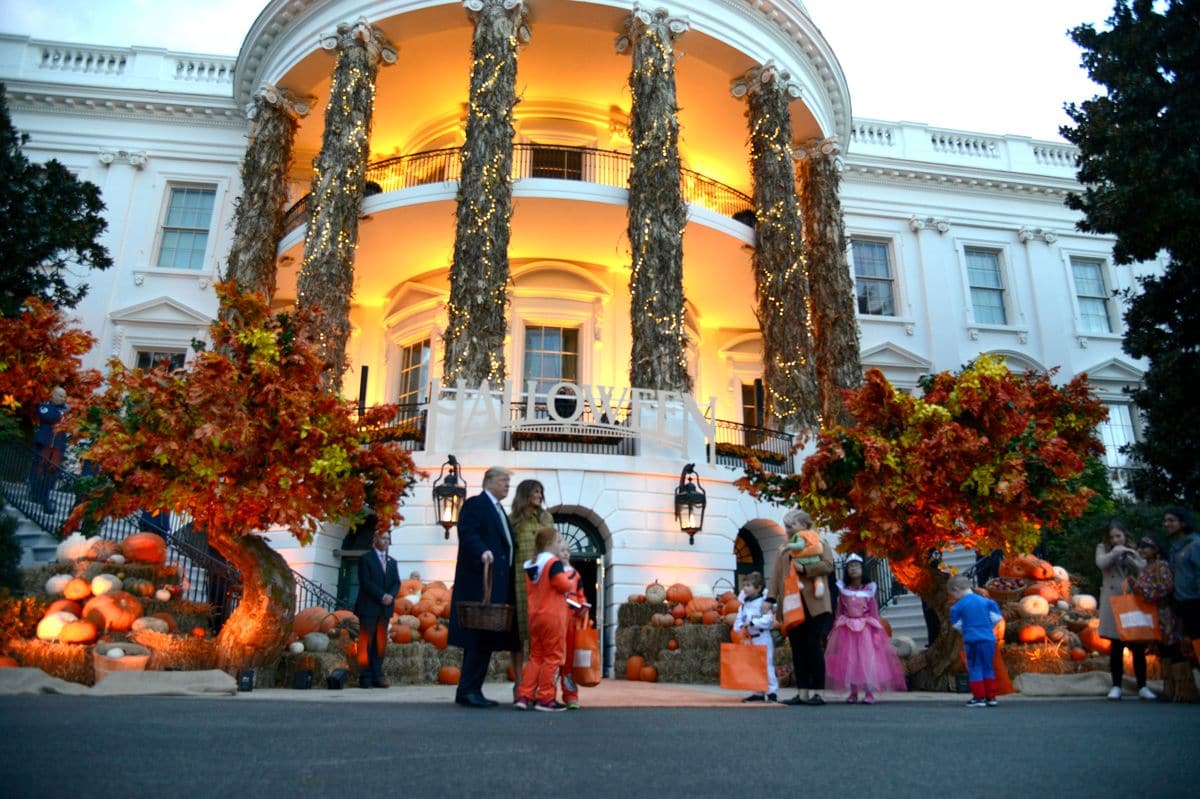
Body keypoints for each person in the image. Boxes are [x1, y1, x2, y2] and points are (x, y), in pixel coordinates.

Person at [447, 466, 519, 708]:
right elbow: (467, 533)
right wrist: (482, 551)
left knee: (485, 639)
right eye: (503, 481)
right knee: (477, 638)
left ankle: (472, 688)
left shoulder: (500, 511)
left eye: (508, 482)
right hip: (481, 583)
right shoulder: (476, 504)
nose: (507, 486)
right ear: (488, 481)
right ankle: (468, 690)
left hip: (497, 584)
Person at [771, 508, 834, 705]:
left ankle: (819, 693)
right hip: (791, 603)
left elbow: (828, 565)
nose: (788, 529)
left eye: (792, 525)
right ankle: (803, 691)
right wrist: (771, 599)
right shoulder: (784, 548)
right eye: (786, 526)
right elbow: (776, 575)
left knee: (812, 647)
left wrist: (805, 569)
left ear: (805, 526)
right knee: (797, 649)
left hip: (814, 603)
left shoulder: (820, 543)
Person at [824, 554, 907, 704]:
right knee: (851, 660)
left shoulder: (869, 589)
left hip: (865, 629)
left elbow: (874, 611)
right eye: (850, 567)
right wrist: (836, 627)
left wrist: (876, 632)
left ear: (863, 569)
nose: (853, 569)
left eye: (856, 566)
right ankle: (853, 691)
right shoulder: (844, 590)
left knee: (867, 660)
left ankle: (869, 691)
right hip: (847, 628)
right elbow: (840, 610)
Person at [515, 526, 573, 711]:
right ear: (548, 544)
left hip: (535, 616)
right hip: (552, 616)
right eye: (558, 541)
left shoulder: (531, 564)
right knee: (553, 657)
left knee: (536, 657)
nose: (560, 545)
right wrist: (570, 581)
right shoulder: (553, 563)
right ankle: (546, 698)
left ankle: (524, 695)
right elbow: (563, 585)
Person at [1096, 521, 1152, 700]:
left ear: (1125, 536)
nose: (1115, 540)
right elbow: (1101, 563)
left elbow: (1143, 568)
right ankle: (1116, 686)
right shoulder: (1103, 548)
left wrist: (1130, 556)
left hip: (1131, 601)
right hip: (1112, 600)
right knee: (1116, 645)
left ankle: (1142, 686)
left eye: (1118, 536)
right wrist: (1114, 553)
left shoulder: (1133, 550)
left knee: (1137, 644)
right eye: (1112, 537)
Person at [509, 478, 553, 693]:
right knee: (518, 635)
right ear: (524, 494)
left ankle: (535, 682)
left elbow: (553, 546)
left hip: (543, 581)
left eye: (540, 491)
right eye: (535, 491)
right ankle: (519, 681)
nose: (538, 495)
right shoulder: (513, 521)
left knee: (539, 634)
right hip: (519, 579)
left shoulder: (546, 519)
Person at [354, 528, 399, 688]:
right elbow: (366, 582)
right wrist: (382, 596)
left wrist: (391, 596)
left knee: (380, 643)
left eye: (388, 539)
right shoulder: (366, 559)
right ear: (375, 539)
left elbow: (396, 582)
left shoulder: (392, 562)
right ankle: (365, 677)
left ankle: (377, 676)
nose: (386, 541)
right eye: (383, 538)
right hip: (369, 607)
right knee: (366, 642)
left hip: (385, 609)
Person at [948, 574, 1002, 707]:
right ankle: (991, 697)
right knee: (988, 666)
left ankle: (979, 697)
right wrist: (987, 628)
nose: (954, 598)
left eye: (953, 594)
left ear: (956, 589)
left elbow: (957, 625)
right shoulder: (987, 602)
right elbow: (997, 619)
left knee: (975, 667)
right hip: (989, 639)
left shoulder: (957, 607)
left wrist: (967, 630)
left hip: (972, 640)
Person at [732, 571, 777, 702]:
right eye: (744, 585)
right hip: (750, 639)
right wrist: (739, 628)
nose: (745, 588)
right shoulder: (743, 606)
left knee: (766, 664)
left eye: (749, 585)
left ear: (758, 588)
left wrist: (752, 622)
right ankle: (758, 691)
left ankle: (771, 691)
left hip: (762, 637)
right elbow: (739, 620)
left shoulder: (763, 603)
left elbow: (768, 620)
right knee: (754, 665)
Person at [1165, 507, 1200, 664]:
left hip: (1195, 601)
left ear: (1183, 523)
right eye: (1165, 520)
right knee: (1188, 647)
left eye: (1171, 520)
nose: (1166, 524)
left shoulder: (1195, 545)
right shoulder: (1175, 548)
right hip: (1180, 603)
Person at [1132, 536, 1176, 658]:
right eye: (1140, 547)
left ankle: (1178, 676)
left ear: (1155, 549)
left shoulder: (1161, 565)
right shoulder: (1145, 567)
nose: (1141, 550)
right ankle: (1165, 676)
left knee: (1170, 649)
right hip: (1150, 614)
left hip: (1163, 613)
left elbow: (1166, 587)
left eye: (1145, 547)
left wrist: (1144, 590)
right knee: (1160, 651)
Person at [557, 537, 587, 710]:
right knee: (553, 660)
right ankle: (546, 693)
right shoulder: (553, 572)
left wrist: (582, 607)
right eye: (562, 551)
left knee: (568, 661)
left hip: (571, 620)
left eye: (568, 551)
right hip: (556, 618)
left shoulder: (576, 575)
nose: (566, 554)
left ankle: (570, 696)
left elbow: (581, 595)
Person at [29, 386, 68, 511]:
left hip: (57, 447)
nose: (63, 399)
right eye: (61, 396)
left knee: (52, 473)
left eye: (64, 396)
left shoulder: (64, 412)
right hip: (44, 444)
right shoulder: (44, 407)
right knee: (38, 470)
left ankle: (45, 495)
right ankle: (35, 494)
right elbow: (49, 417)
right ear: (53, 395)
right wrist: (62, 413)